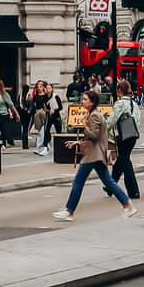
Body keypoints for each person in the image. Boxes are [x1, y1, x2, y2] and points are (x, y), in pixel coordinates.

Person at [52, 91, 135, 221]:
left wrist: (85, 127)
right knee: (109, 182)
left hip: (93, 154)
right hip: (96, 154)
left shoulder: (94, 116)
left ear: (92, 102)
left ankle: (69, 211)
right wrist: (78, 142)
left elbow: (95, 136)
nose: (82, 101)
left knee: (78, 182)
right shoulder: (94, 114)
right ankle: (127, 205)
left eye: (85, 99)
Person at [110, 87, 144, 199]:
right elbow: (138, 120)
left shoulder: (119, 104)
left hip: (122, 135)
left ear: (119, 90)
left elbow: (113, 119)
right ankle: (110, 186)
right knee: (123, 160)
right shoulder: (134, 104)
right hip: (132, 135)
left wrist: (103, 129)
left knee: (125, 162)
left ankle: (133, 191)